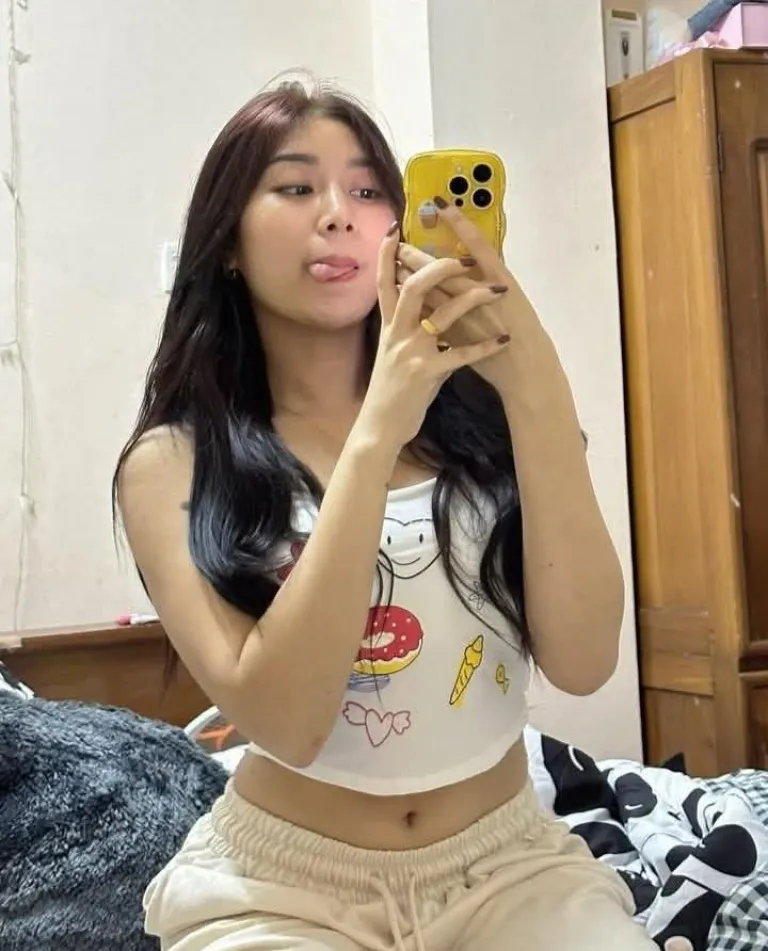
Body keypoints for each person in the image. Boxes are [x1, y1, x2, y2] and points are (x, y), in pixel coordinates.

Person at [115, 79, 655, 950]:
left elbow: (586, 661)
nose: (338, 213)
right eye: (296, 186)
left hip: (507, 866)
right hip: (284, 888)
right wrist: (375, 437)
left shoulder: (485, 422)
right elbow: (288, 722)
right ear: (227, 242)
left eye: (368, 190)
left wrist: (535, 381)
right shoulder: (172, 464)